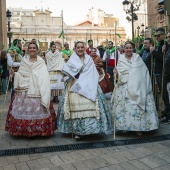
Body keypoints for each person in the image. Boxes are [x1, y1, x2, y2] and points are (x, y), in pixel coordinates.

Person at [57, 41, 113, 139]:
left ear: (84, 48)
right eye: (78, 47)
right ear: (74, 48)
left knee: (91, 104)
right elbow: (66, 73)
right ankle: (77, 130)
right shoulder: (72, 59)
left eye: (82, 47)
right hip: (75, 85)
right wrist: (68, 74)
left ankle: (90, 129)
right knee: (75, 107)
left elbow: (92, 72)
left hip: (88, 84)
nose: (80, 49)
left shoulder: (89, 59)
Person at [5, 42, 56, 136]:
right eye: (30, 48)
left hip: (37, 88)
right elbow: (21, 73)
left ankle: (39, 130)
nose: (32, 49)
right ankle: (22, 130)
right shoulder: (24, 61)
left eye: (34, 48)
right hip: (24, 88)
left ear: (37, 50)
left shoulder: (41, 62)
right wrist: (14, 74)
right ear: (28, 50)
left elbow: (44, 76)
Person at [112, 41, 159, 134]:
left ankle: (139, 128)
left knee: (137, 107)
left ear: (133, 49)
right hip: (124, 87)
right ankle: (125, 126)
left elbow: (143, 72)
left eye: (130, 48)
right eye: (127, 48)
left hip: (138, 85)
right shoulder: (121, 59)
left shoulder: (137, 58)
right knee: (125, 108)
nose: (128, 50)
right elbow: (119, 74)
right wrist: (116, 73)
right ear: (124, 49)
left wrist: (136, 79)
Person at [161, 31, 170, 123]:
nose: (168, 39)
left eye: (169, 37)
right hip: (167, 77)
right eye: (167, 37)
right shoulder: (168, 48)